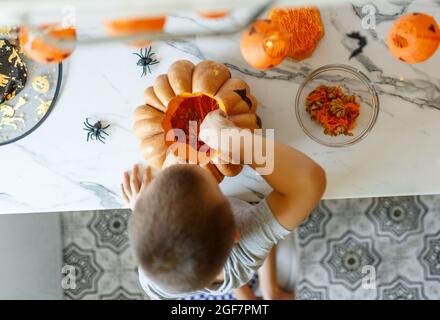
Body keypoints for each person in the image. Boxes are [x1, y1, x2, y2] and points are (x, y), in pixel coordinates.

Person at [121, 109, 326, 299]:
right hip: (248, 254)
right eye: (202, 173)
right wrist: (231, 139)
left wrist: (142, 209)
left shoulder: (153, 282)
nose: (189, 160)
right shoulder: (247, 242)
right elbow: (308, 184)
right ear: (234, 233)